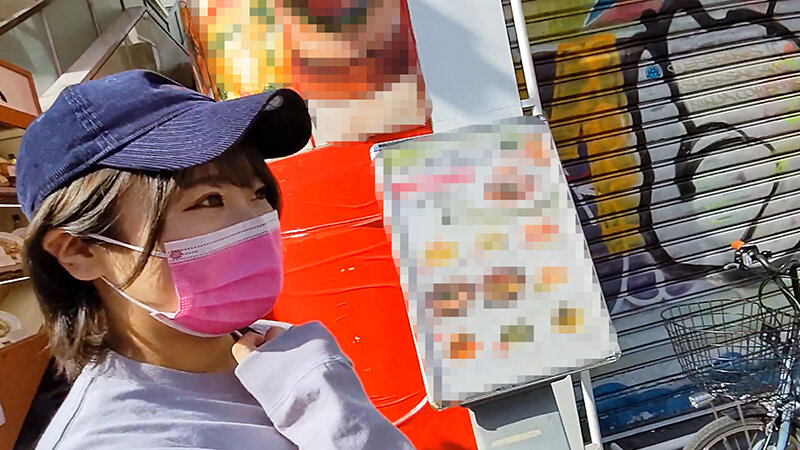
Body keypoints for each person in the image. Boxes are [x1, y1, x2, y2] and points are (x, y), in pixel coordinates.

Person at [18, 69, 414, 450]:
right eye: (209, 200)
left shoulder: (282, 349)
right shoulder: (120, 440)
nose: (256, 223)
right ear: (80, 251)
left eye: (259, 194)